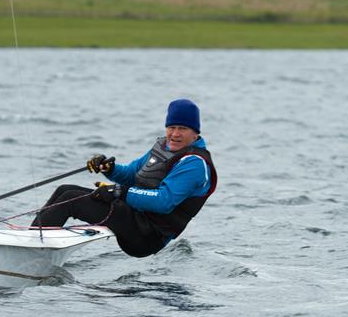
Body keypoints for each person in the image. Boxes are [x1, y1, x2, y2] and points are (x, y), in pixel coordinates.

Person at [31, 99, 217, 258]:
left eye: (182, 128)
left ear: (195, 133)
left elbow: (164, 202)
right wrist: (110, 169)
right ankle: (31, 239)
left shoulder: (194, 164)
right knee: (65, 190)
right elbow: (131, 175)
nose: (175, 134)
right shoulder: (163, 147)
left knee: (70, 200)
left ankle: (32, 250)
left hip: (147, 235)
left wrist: (118, 191)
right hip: (133, 217)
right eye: (171, 127)